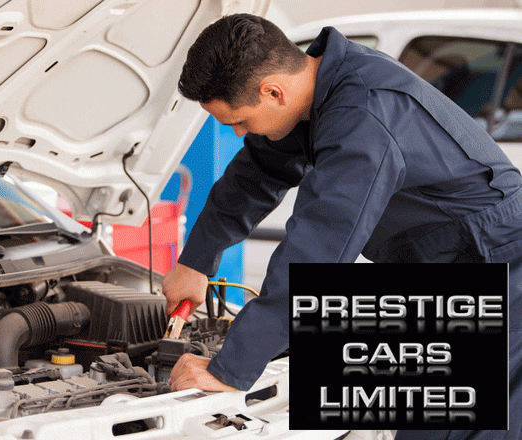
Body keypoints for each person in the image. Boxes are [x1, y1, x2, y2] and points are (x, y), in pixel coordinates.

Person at [162, 13, 522, 440]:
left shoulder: (363, 115)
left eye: (238, 121)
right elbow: (254, 174)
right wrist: (195, 261)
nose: (240, 133)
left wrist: (230, 369)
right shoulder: (318, 91)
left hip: (501, 274)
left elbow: (319, 248)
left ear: (273, 91)